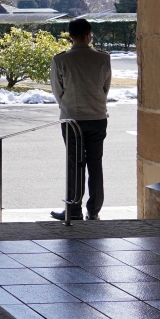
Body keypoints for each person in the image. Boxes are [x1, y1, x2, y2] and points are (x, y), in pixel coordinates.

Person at [49, 18, 111, 221]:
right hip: (97, 116)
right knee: (95, 163)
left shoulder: (61, 60)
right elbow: (105, 87)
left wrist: (67, 106)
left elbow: (58, 91)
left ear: (70, 37)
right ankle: (94, 210)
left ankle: (73, 209)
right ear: (89, 35)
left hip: (72, 119)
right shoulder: (103, 58)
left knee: (74, 164)